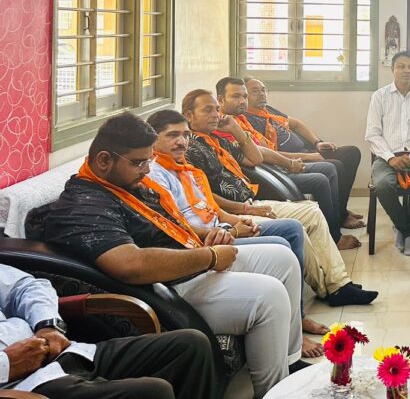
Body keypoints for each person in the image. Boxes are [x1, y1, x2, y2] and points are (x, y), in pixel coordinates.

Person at [42, 113, 304, 399]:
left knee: (283, 258)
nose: (146, 170)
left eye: (149, 160)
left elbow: (167, 225)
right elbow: (130, 264)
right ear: (104, 160)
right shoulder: (85, 205)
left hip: (188, 257)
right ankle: (273, 392)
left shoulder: (124, 185)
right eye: (139, 162)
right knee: (269, 295)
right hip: (167, 287)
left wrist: (208, 235)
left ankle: (289, 364)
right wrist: (210, 257)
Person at [145, 109, 331, 358]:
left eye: (185, 135)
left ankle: (297, 316)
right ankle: (292, 328)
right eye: (172, 135)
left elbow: (211, 206)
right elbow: (174, 226)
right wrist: (232, 228)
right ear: (153, 138)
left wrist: (240, 220)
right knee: (281, 243)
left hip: (224, 223)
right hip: (209, 239)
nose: (181, 141)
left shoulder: (185, 166)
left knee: (291, 228)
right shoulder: (154, 174)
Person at [181, 89, 377, 308]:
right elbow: (203, 197)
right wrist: (246, 210)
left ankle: (338, 285)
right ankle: (335, 287)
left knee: (311, 210)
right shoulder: (189, 149)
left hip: (250, 202)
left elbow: (255, 158)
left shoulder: (215, 139)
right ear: (189, 115)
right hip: (235, 212)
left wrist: (236, 130)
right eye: (208, 110)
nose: (215, 115)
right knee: (298, 224)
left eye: (216, 110)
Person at [0, 263, 216, 398]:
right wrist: (6, 366)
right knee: (153, 392)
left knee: (190, 345)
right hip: (20, 385)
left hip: (57, 351)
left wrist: (47, 325)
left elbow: (26, 286)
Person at [216, 77, 358, 250]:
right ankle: (334, 236)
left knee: (339, 162)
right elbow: (259, 155)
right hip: (268, 174)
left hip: (279, 165)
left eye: (244, 96)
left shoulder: (240, 119)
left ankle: (338, 220)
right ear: (220, 100)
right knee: (324, 175)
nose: (242, 101)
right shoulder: (227, 125)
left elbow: (266, 146)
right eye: (236, 96)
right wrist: (291, 162)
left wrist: (316, 143)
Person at [243, 76, 365, 230]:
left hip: (306, 151)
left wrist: (317, 143)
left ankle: (341, 211)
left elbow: (296, 124)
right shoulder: (246, 121)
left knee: (351, 153)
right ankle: (338, 217)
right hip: (293, 160)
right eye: (255, 91)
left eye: (263, 90)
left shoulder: (267, 110)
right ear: (245, 96)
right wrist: (309, 157)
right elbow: (270, 154)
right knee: (336, 166)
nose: (262, 94)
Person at [365, 51, 410, 256]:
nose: (407, 71)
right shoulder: (379, 96)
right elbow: (372, 134)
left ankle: (401, 226)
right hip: (386, 157)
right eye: (401, 66)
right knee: (382, 185)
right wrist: (391, 158)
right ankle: (407, 230)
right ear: (392, 69)